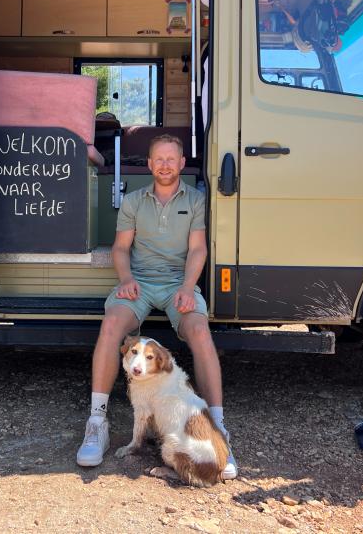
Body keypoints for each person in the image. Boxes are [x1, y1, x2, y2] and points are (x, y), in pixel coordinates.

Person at [76, 133, 237, 479]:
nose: (165, 165)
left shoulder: (195, 200)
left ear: (181, 163)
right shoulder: (134, 201)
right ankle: (97, 422)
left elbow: (198, 250)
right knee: (111, 325)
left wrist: (187, 287)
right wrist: (126, 279)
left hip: (179, 283)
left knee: (199, 330)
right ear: (149, 165)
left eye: (171, 159)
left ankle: (218, 430)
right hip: (140, 283)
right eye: (158, 160)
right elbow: (120, 249)